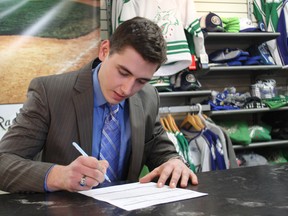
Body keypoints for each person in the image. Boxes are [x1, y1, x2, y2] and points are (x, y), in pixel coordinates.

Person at [0, 16, 198, 193]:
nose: (127, 89)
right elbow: (3, 163)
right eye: (123, 72)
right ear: (105, 50)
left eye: (141, 80)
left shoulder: (148, 97)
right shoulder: (49, 93)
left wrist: (175, 162)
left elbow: (160, 149)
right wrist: (58, 176)